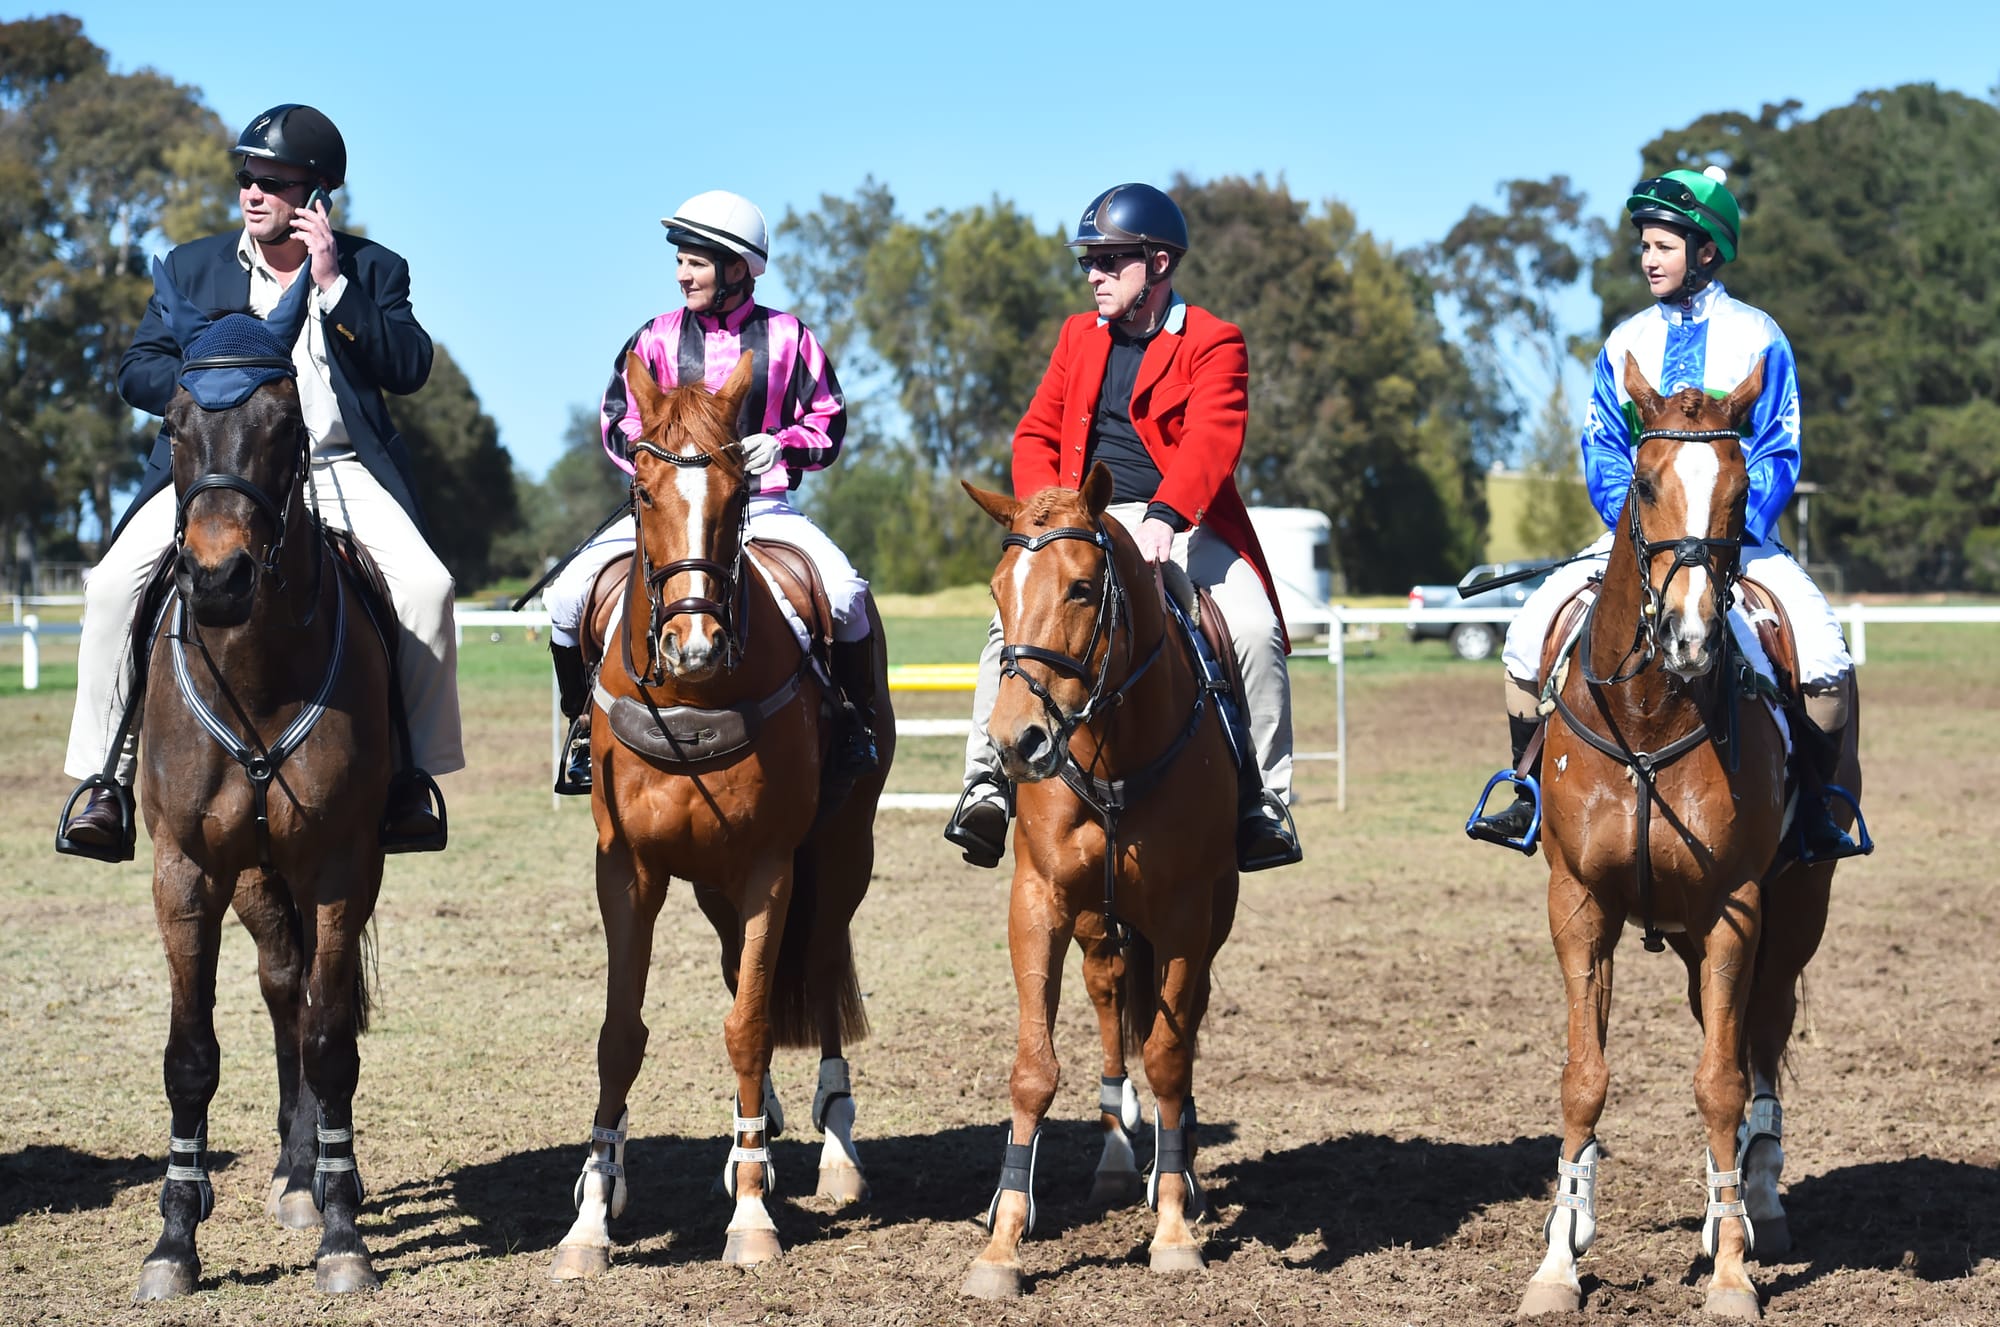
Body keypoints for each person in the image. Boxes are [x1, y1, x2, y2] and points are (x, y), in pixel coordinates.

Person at [56, 102, 458, 858]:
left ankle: (411, 778)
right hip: (217, 473)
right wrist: (208, 381)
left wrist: (335, 286)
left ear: (317, 195)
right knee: (111, 586)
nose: (253, 193)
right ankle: (101, 782)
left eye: (274, 181)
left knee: (429, 590)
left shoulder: (375, 270)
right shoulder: (191, 267)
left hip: (340, 467)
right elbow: (135, 368)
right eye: (247, 176)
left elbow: (409, 366)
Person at [1467, 166, 1863, 861]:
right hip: (1639, 539)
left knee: (1827, 660)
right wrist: (1644, 527)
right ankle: (1526, 793)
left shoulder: (1760, 338)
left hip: (1737, 542)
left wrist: (1725, 528)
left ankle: (1812, 814)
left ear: (1706, 250)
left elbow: (1777, 448)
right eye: (1645, 245)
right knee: (1526, 642)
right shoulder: (1624, 344)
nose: (1648, 258)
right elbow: (1603, 450)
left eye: (1664, 246)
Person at [941, 182, 1303, 873]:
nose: (1093, 276)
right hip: (1082, 520)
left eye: (1110, 261)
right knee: (1007, 630)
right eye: (1088, 262)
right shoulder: (1078, 336)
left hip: (1180, 521)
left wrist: (1168, 512)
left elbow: (1212, 437)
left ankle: (1265, 801)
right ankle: (986, 781)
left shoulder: (1214, 340)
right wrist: (1046, 514)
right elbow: (1036, 431)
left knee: (1252, 630)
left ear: (1158, 264)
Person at [541, 190, 875, 794]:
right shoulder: (653, 339)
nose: (682, 275)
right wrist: (664, 465)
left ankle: (853, 725)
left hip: (763, 506)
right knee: (566, 599)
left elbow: (829, 420)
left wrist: (782, 445)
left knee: (847, 597)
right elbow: (617, 418)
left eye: (695, 262)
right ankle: (585, 727)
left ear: (738, 267)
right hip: (667, 512)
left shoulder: (791, 338)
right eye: (679, 261)